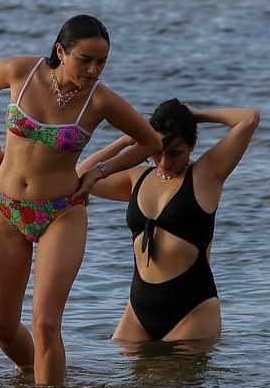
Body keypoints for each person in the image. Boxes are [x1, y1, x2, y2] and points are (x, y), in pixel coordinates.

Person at [0, 14, 161, 384]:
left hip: (61, 213)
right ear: (61, 50)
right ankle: (30, 375)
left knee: (45, 324)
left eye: (102, 62)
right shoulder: (21, 72)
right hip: (6, 207)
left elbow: (150, 142)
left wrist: (98, 173)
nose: (94, 70)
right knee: (2, 328)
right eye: (85, 60)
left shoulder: (100, 100)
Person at [77, 98, 260, 342]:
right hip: (137, 312)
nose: (165, 162)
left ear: (192, 144)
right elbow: (80, 175)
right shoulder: (136, 178)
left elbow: (248, 118)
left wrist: (197, 114)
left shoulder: (207, 174)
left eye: (176, 153)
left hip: (192, 311)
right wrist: (125, 141)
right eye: (157, 152)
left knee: (178, 381)